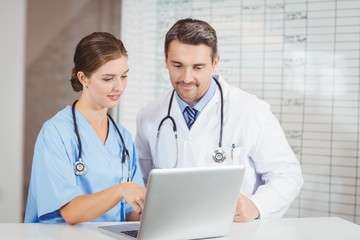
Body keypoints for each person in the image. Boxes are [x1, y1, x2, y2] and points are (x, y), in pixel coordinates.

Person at [135, 18, 303, 222]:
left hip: (234, 231)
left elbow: (287, 175)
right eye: (177, 65)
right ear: (165, 59)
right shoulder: (149, 115)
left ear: (215, 62)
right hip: (171, 228)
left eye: (198, 67)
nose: (186, 78)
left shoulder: (251, 111)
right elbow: (142, 181)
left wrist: (256, 206)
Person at [25, 32, 146, 224]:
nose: (119, 87)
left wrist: (154, 214)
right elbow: (71, 212)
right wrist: (121, 189)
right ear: (83, 78)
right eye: (108, 78)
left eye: (123, 76)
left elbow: (132, 211)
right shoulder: (56, 133)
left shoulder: (122, 137)